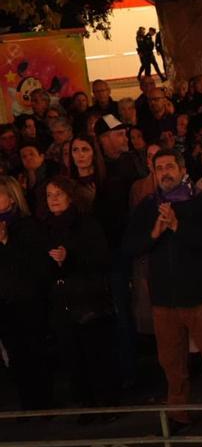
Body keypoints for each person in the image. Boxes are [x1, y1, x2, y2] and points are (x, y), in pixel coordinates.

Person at [122, 149, 202, 425]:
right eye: (159, 168)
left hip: (201, 297)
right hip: (164, 301)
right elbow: (129, 246)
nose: (165, 172)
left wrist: (178, 226)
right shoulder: (148, 205)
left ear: (182, 168)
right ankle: (177, 412)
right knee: (171, 364)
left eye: (170, 166)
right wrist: (154, 233)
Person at [43, 177, 117, 414]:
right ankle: (85, 404)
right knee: (73, 356)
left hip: (88, 301)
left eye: (58, 194)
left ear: (71, 196)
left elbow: (102, 259)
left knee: (95, 355)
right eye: (49, 195)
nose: (53, 199)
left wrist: (70, 258)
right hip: (63, 303)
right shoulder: (46, 227)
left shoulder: (87, 224)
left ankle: (106, 403)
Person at [0, 175, 52, 410]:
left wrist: (5, 243)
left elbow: (31, 263)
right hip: (5, 301)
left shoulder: (26, 225)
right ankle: (26, 402)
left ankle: (43, 402)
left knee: (34, 350)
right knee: (15, 353)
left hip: (27, 299)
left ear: (11, 198)